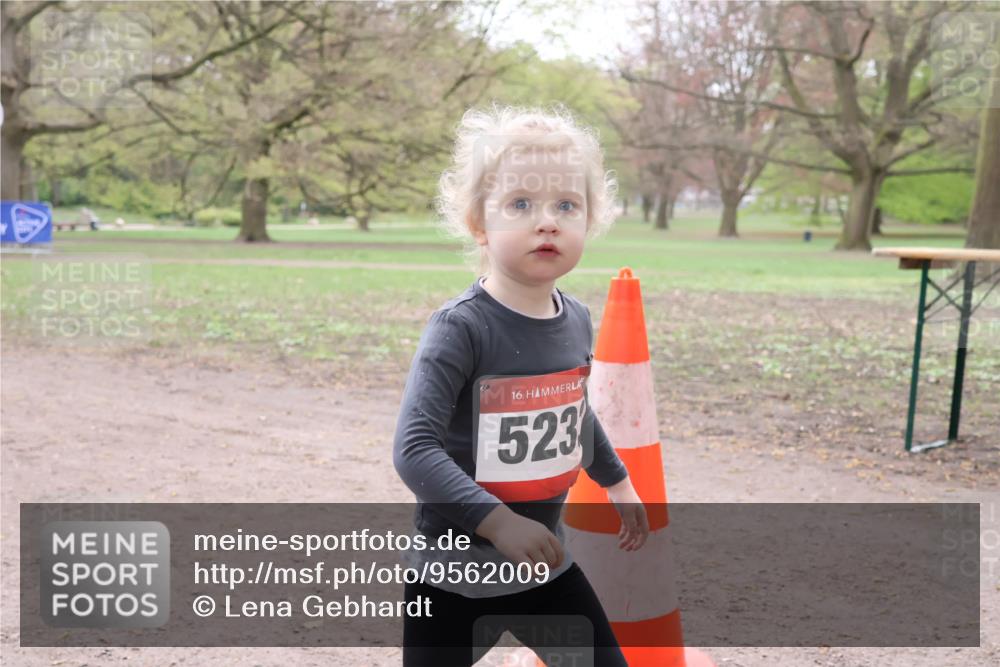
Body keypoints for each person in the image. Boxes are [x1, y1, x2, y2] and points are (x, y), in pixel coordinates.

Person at [393, 103, 648, 667]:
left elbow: (573, 411)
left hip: (543, 567)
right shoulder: (461, 327)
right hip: (452, 577)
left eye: (566, 205)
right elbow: (414, 450)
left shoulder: (576, 317)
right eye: (521, 204)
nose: (547, 220)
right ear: (478, 224)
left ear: (589, 220)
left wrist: (618, 482)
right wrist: (497, 522)